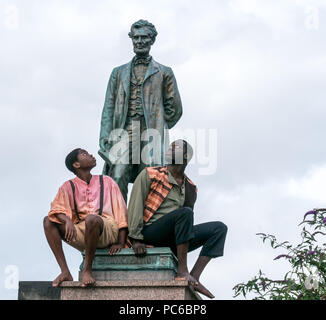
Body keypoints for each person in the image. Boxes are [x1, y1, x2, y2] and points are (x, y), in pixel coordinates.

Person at [127, 140, 228, 299]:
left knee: (219, 228)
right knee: (185, 213)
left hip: (175, 236)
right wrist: (136, 239)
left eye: (176, 147)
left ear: (186, 156)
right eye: (170, 146)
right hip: (150, 231)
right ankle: (182, 271)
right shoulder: (151, 174)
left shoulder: (190, 187)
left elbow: (187, 222)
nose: (170, 149)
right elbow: (135, 206)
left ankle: (194, 277)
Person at [99, 19, 182, 202]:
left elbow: (175, 108)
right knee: (118, 174)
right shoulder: (118, 72)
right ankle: (119, 223)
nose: (139, 42)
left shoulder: (164, 72)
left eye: (144, 37)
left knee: (149, 177)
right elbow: (109, 107)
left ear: (152, 40)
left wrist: (158, 122)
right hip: (124, 131)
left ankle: (144, 224)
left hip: (151, 131)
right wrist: (105, 136)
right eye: (135, 38)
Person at [43, 148, 128, 287]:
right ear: (76, 165)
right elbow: (55, 210)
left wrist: (121, 242)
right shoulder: (68, 186)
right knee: (48, 221)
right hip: (83, 231)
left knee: (91, 219)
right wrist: (67, 220)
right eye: (84, 154)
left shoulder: (107, 181)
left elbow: (121, 212)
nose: (91, 155)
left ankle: (87, 270)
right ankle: (65, 271)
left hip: (107, 228)